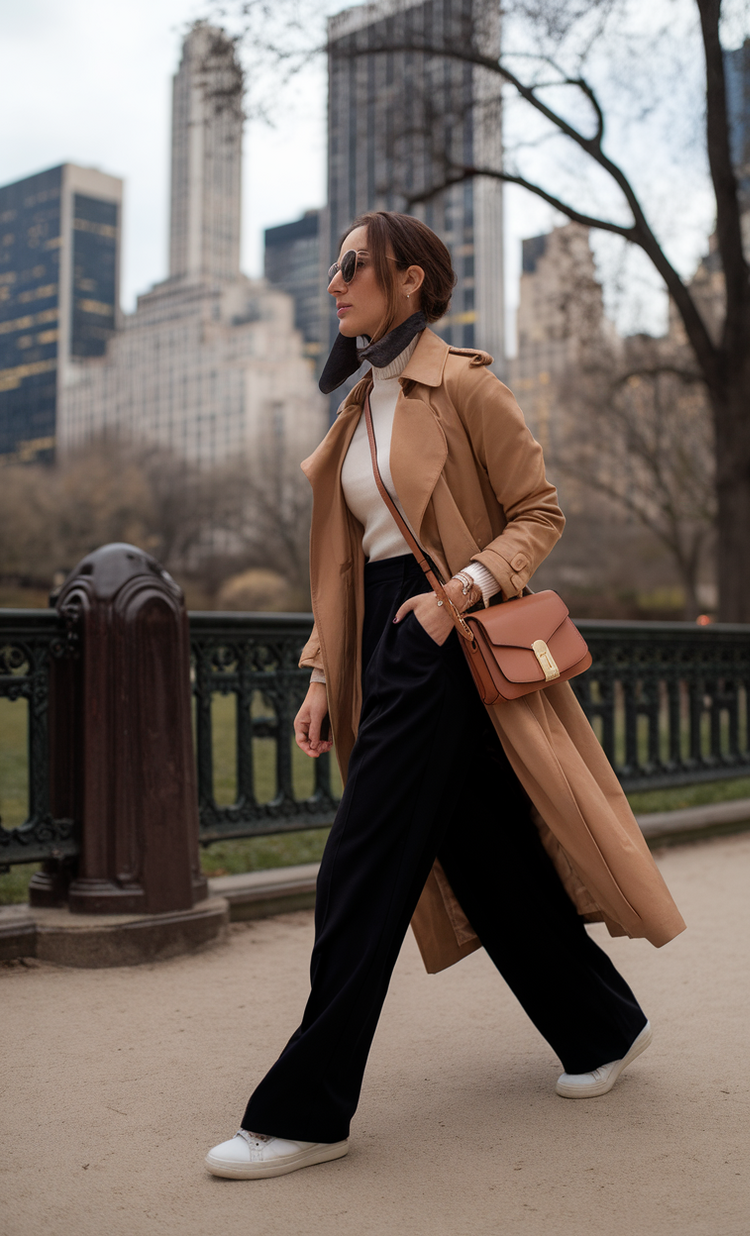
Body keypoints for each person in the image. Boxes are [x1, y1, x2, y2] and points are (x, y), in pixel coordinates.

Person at [205, 211, 686, 1181]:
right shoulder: (355, 403)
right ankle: (601, 1027)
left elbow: (536, 511)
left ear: (412, 281)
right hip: (380, 636)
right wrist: (319, 671)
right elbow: (346, 568)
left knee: (359, 867)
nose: (333, 283)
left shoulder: (460, 386)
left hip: (440, 635)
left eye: (353, 267)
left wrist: (461, 590)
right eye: (334, 269)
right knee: (486, 854)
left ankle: (306, 1110)